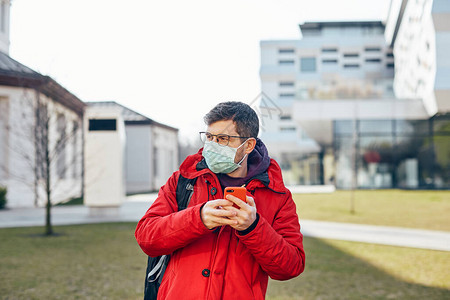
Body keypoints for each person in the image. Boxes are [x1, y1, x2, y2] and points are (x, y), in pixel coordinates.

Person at [135, 101, 305, 299]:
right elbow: (146, 237)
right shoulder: (183, 179)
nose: (213, 145)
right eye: (209, 137)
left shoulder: (277, 194)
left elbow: (291, 267)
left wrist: (253, 227)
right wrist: (197, 219)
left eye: (223, 139)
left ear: (248, 145)